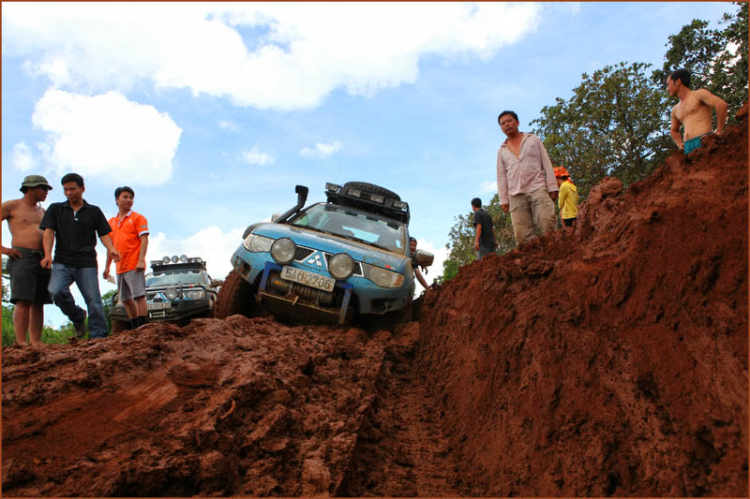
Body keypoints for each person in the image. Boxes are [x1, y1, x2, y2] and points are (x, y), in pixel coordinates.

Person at [40, 173, 120, 339]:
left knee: (94, 300)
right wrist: (47, 255)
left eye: (72, 189)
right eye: (65, 189)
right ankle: (77, 316)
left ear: (82, 189)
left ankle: (99, 336)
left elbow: (104, 233)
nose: (69, 193)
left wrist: (111, 248)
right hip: (62, 261)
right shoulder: (56, 209)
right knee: (56, 291)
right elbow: (48, 233)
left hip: (86, 263)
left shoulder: (94, 211)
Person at [1, 175, 54, 346]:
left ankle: (36, 341)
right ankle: (21, 341)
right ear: (30, 188)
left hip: (41, 259)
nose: (46, 192)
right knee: (23, 300)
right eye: (43, 188)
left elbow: (49, 235)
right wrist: (4, 250)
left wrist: (48, 255)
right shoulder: (12, 206)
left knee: (39, 302)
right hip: (22, 256)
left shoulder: (43, 212)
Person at [496, 110, 558, 246]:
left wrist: (552, 186)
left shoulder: (533, 140)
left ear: (517, 122)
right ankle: (533, 263)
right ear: (501, 128)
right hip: (515, 194)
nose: (507, 125)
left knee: (547, 222)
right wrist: (504, 200)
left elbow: (546, 162)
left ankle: (555, 254)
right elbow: (501, 176)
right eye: (503, 123)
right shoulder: (502, 150)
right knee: (523, 236)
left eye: (509, 121)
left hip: (537, 187)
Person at [103, 186, 150, 330]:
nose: (129, 200)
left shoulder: (137, 218)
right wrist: (107, 266)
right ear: (117, 199)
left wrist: (141, 260)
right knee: (125, 299)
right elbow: (110, 247)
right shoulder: (111, 222)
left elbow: (144, 239)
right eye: (125, 197)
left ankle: (143, 327)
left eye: (131, 197)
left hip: (134, 263)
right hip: (120, 266)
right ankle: (135, 326)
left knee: (138, 295)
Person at [666, 68, 728, 154]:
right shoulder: (675, 109)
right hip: (688, 147)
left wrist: (719, 131)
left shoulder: (698, 94)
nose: (667, 88)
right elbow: (674, 131)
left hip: (704, 141)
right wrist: (680, 144)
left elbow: (721, 105)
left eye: (668, 84)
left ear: (678, 82)